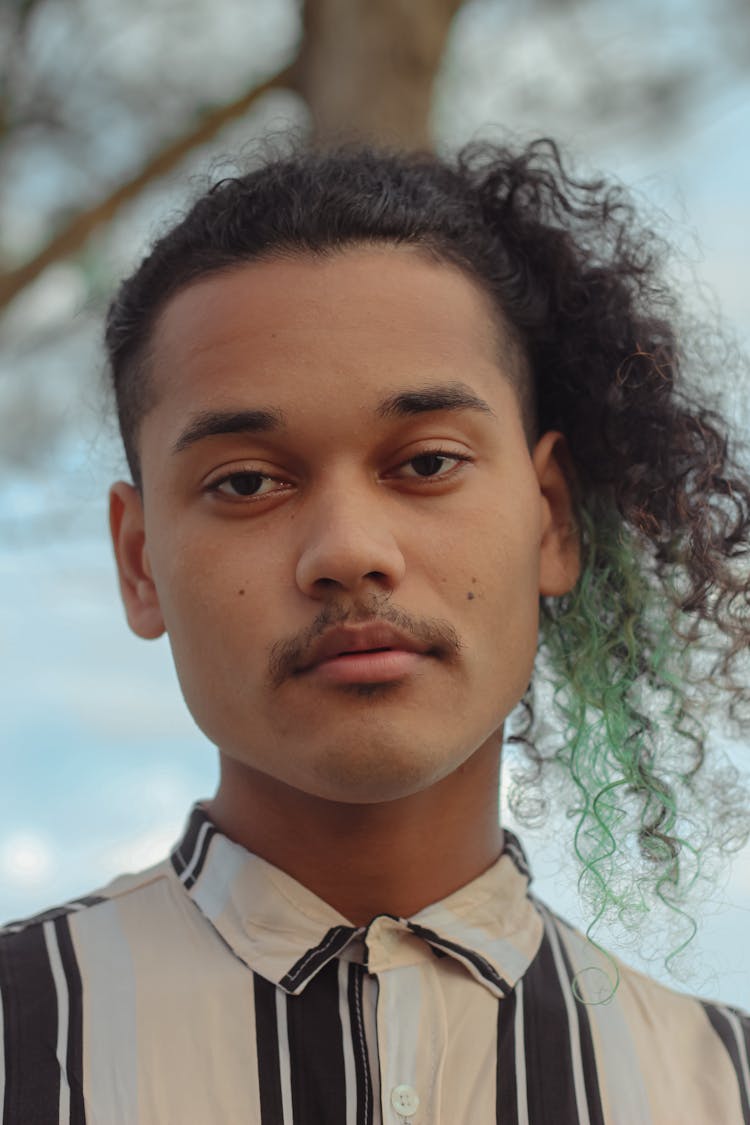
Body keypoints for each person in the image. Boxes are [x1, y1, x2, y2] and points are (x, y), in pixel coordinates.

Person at [1, 139, 749, 1124]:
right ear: (140, 562)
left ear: (552, 519)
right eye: (247, 482)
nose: (349, 552)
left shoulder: (722, 1087)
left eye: (427, 463)